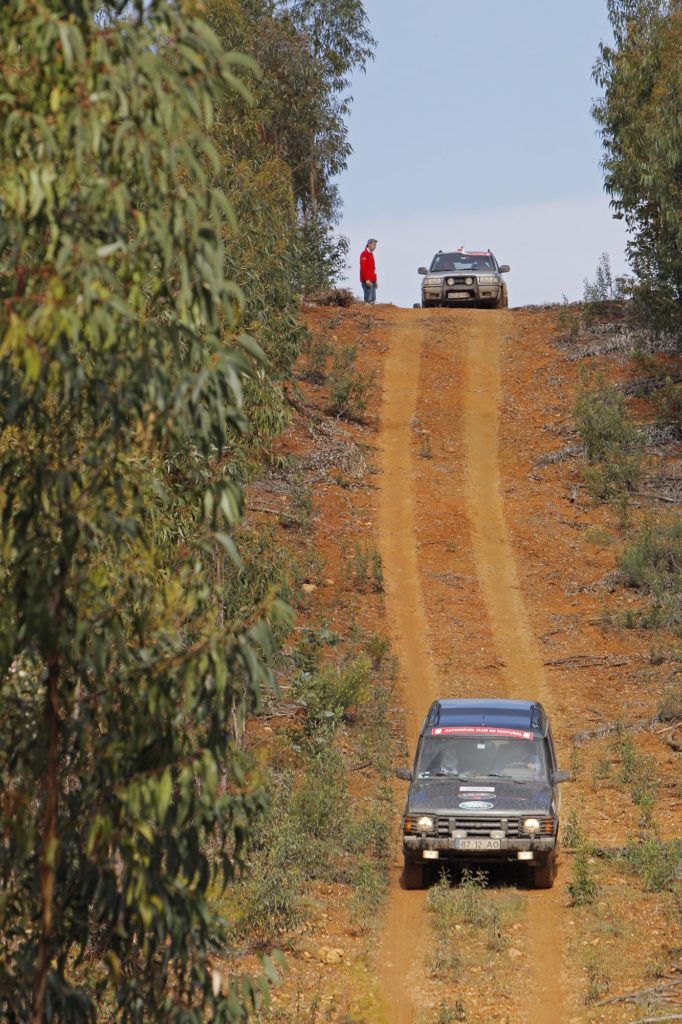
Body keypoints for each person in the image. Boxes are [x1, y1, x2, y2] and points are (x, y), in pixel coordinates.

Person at [360, 238, 378, 303]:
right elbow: (363, 268)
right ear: (369, 244)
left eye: (375, 245)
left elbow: (373, 268)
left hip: (372, 280)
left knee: (373, 298)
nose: (375, 246)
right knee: (368, 299)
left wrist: (375, 281)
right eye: (374, 244)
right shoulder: (364, 254)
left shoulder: (371, 254)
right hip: (367, 281)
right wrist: (367, 279)